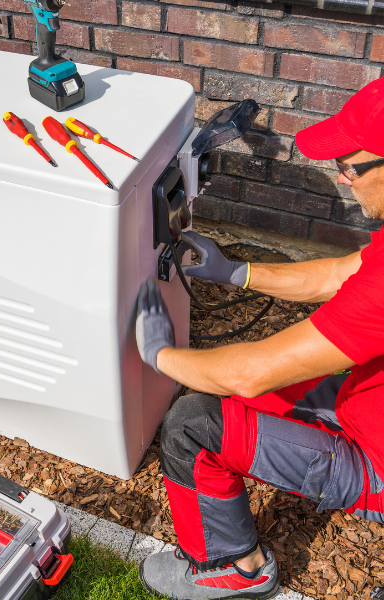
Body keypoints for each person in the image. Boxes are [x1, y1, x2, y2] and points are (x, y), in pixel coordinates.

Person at [135, 77, 384, 600]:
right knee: (233, 395)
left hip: (375, 460)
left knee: (191, 423)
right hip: (363, 405)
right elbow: (340, 274)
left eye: (351, 166)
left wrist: (159, 354)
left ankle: (234, 570)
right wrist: (237, 273)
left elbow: (246, 374)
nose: (343, 179)